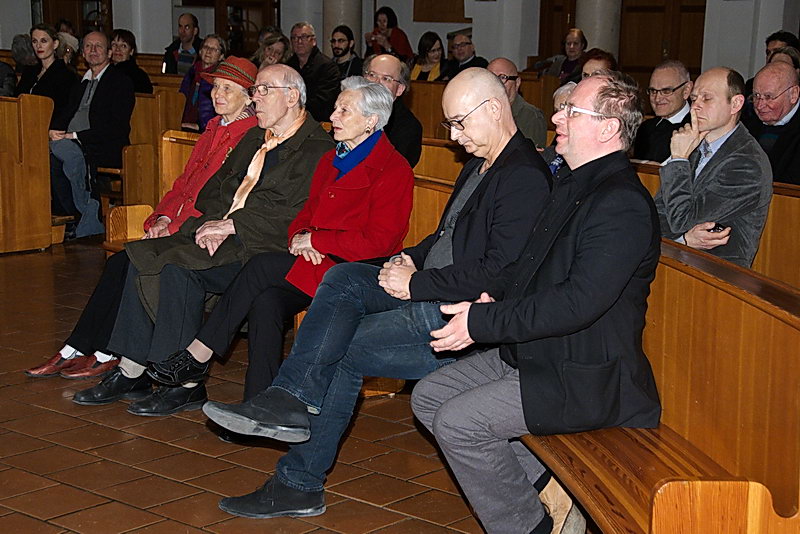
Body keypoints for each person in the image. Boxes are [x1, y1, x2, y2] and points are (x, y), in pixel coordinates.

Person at [200, 68, 552, 521]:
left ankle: (297, 476)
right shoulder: (480, 164)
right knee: (344, 279)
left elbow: (498, 273)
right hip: (431, 284)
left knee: (341, 347)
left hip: (458, 310)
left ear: (495, 109)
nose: (454, 136)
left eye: (459, 123)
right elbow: (445, 237)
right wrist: (407, 258)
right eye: (449, 125)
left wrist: (415, 282)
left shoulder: (522, 176)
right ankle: (289, 401)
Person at [410, 69, 660, 534]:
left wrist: (482, 322)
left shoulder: (621, 203)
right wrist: (495, 298)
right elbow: (531, 267)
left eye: (571, 111)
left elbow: (577, 303)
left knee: (460, 424)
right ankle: (546, 493)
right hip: (540, 352)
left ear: (608, 127)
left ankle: (526, 527)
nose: (556, 117)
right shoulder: (573, 184)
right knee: (429, 397)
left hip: (585, 375)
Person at [72, 64, 334, 416]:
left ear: (291, 97)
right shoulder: (255, 137)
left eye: (263, 90)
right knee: (140, 255)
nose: (255, 98)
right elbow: (216, 188)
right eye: (254, 90)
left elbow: (298, 215)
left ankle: (183, 385)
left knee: (178, 269)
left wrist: (234, 226)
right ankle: (132, 368)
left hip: (260, 247)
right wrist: (213, 223)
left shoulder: (317, 149)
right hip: (221, 234)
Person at [149, 76, 414, 407]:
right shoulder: (332, 159)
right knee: (266, 302)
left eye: (344, 111)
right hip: (312, 262)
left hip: (350, 272)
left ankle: (198, 354)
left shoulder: (394, 169)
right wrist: (301, 238)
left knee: (261, 266)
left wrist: (317, 240)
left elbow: (380, 241)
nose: (333, 116)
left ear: (371, 120)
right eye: (335, 108)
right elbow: (303, 214)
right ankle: (258, 405)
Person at [25, 57, 259, 381]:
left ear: (249, 96)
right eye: (216, 86)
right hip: (178, 224)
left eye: (227, 88)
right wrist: (160, 217)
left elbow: (221, 201)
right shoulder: (213, 128)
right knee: (121, 262)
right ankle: (79, 348)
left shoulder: (251, 137)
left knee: (125, 262)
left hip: (203, 232)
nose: (217, 94)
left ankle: (103, 352)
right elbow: (183, 184)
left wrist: (172, 226)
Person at [655, 67, 772, 267]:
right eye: (694, 99)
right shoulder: (694, 145)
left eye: (707, 99)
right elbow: (657, 213)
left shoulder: (747, 163)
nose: (695, 107)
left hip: (715, 274)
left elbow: (682, 220)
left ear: (735, 104)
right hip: (676, 261)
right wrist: (684, 240)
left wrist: (678, 160)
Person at [49, 31, 134, 238]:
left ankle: (81, 216)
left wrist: (75, 136)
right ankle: (73, 217)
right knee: (48, 153)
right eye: (88, 46)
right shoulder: (82, 82)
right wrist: (53, 130)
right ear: (83, 53)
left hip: (103, 145)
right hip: (73, 142)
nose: (93, 50)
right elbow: (67, 112)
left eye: (98, 46)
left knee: (57, 156)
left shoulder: (120, 82)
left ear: (109, 52)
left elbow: (116, 127)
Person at [743, 62, 800, 184]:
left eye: (768, 97)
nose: (760, 105)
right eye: (756, 96)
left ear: (793, 95)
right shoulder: (745, 124)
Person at [363, 54, 422, 167]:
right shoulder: (350, 111)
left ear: (399, 89)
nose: (376, 83)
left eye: (386, 79)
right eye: (372, 75)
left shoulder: (409, 127)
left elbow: (395, 169)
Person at [15, 24, 79, 127]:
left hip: (49, 127)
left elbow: (65, 110)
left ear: (55, 44)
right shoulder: (29, 71)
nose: (38, 46)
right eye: (34, 41)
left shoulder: (66, 75)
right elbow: (16, 98)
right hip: (24, 124)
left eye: (43, 41)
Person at [633, 60, 693, 162]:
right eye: (653, 91)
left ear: (686, 90)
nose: (657, 98)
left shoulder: (698, 129)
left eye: (666, 91)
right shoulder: (644, 128)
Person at [287, 22, 340, 123]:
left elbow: (324, 100)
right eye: (294, 38)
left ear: (314, 41)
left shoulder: (327, 67)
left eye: (304, 37)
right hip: (291, 118)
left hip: (318, 121)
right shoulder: (288, 66)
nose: (299, 41)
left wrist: (296, 109)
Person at [487, 57, 547, 147]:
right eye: (491, 78)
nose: (496, 84)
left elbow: (529, 154)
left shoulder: (531, 117)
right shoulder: (481, 111)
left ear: (517, 82)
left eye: (502, 78)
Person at [179, 34, 225, 132]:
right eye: (206, 47)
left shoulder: (220, 78)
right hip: (184, 124)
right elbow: (181, 97)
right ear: (200, 51)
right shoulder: (192, 72)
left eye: (214, 49)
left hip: (208, 129)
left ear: (221, 56)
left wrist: (200, 126)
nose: (208, 51)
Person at [110, 29, 153, 94]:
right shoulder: (105, 71)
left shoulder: (139, 76)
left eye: (123, 46)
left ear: (131, 51)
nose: (117, 49)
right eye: (114, 45)